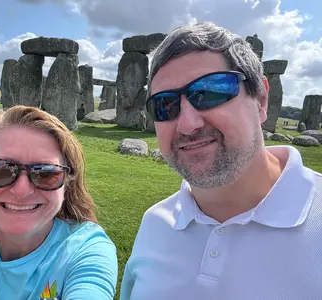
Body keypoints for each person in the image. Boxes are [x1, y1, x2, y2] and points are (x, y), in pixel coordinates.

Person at [120, 22, 322, 300]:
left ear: (261, 100)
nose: (187, 124)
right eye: (164, 105)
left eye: (211, 91)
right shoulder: (155, 222)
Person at [0, 105, 118, 299]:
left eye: (46, 173)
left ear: (67, 184)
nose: (21, 190)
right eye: (1, 169)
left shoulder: (84, 251)